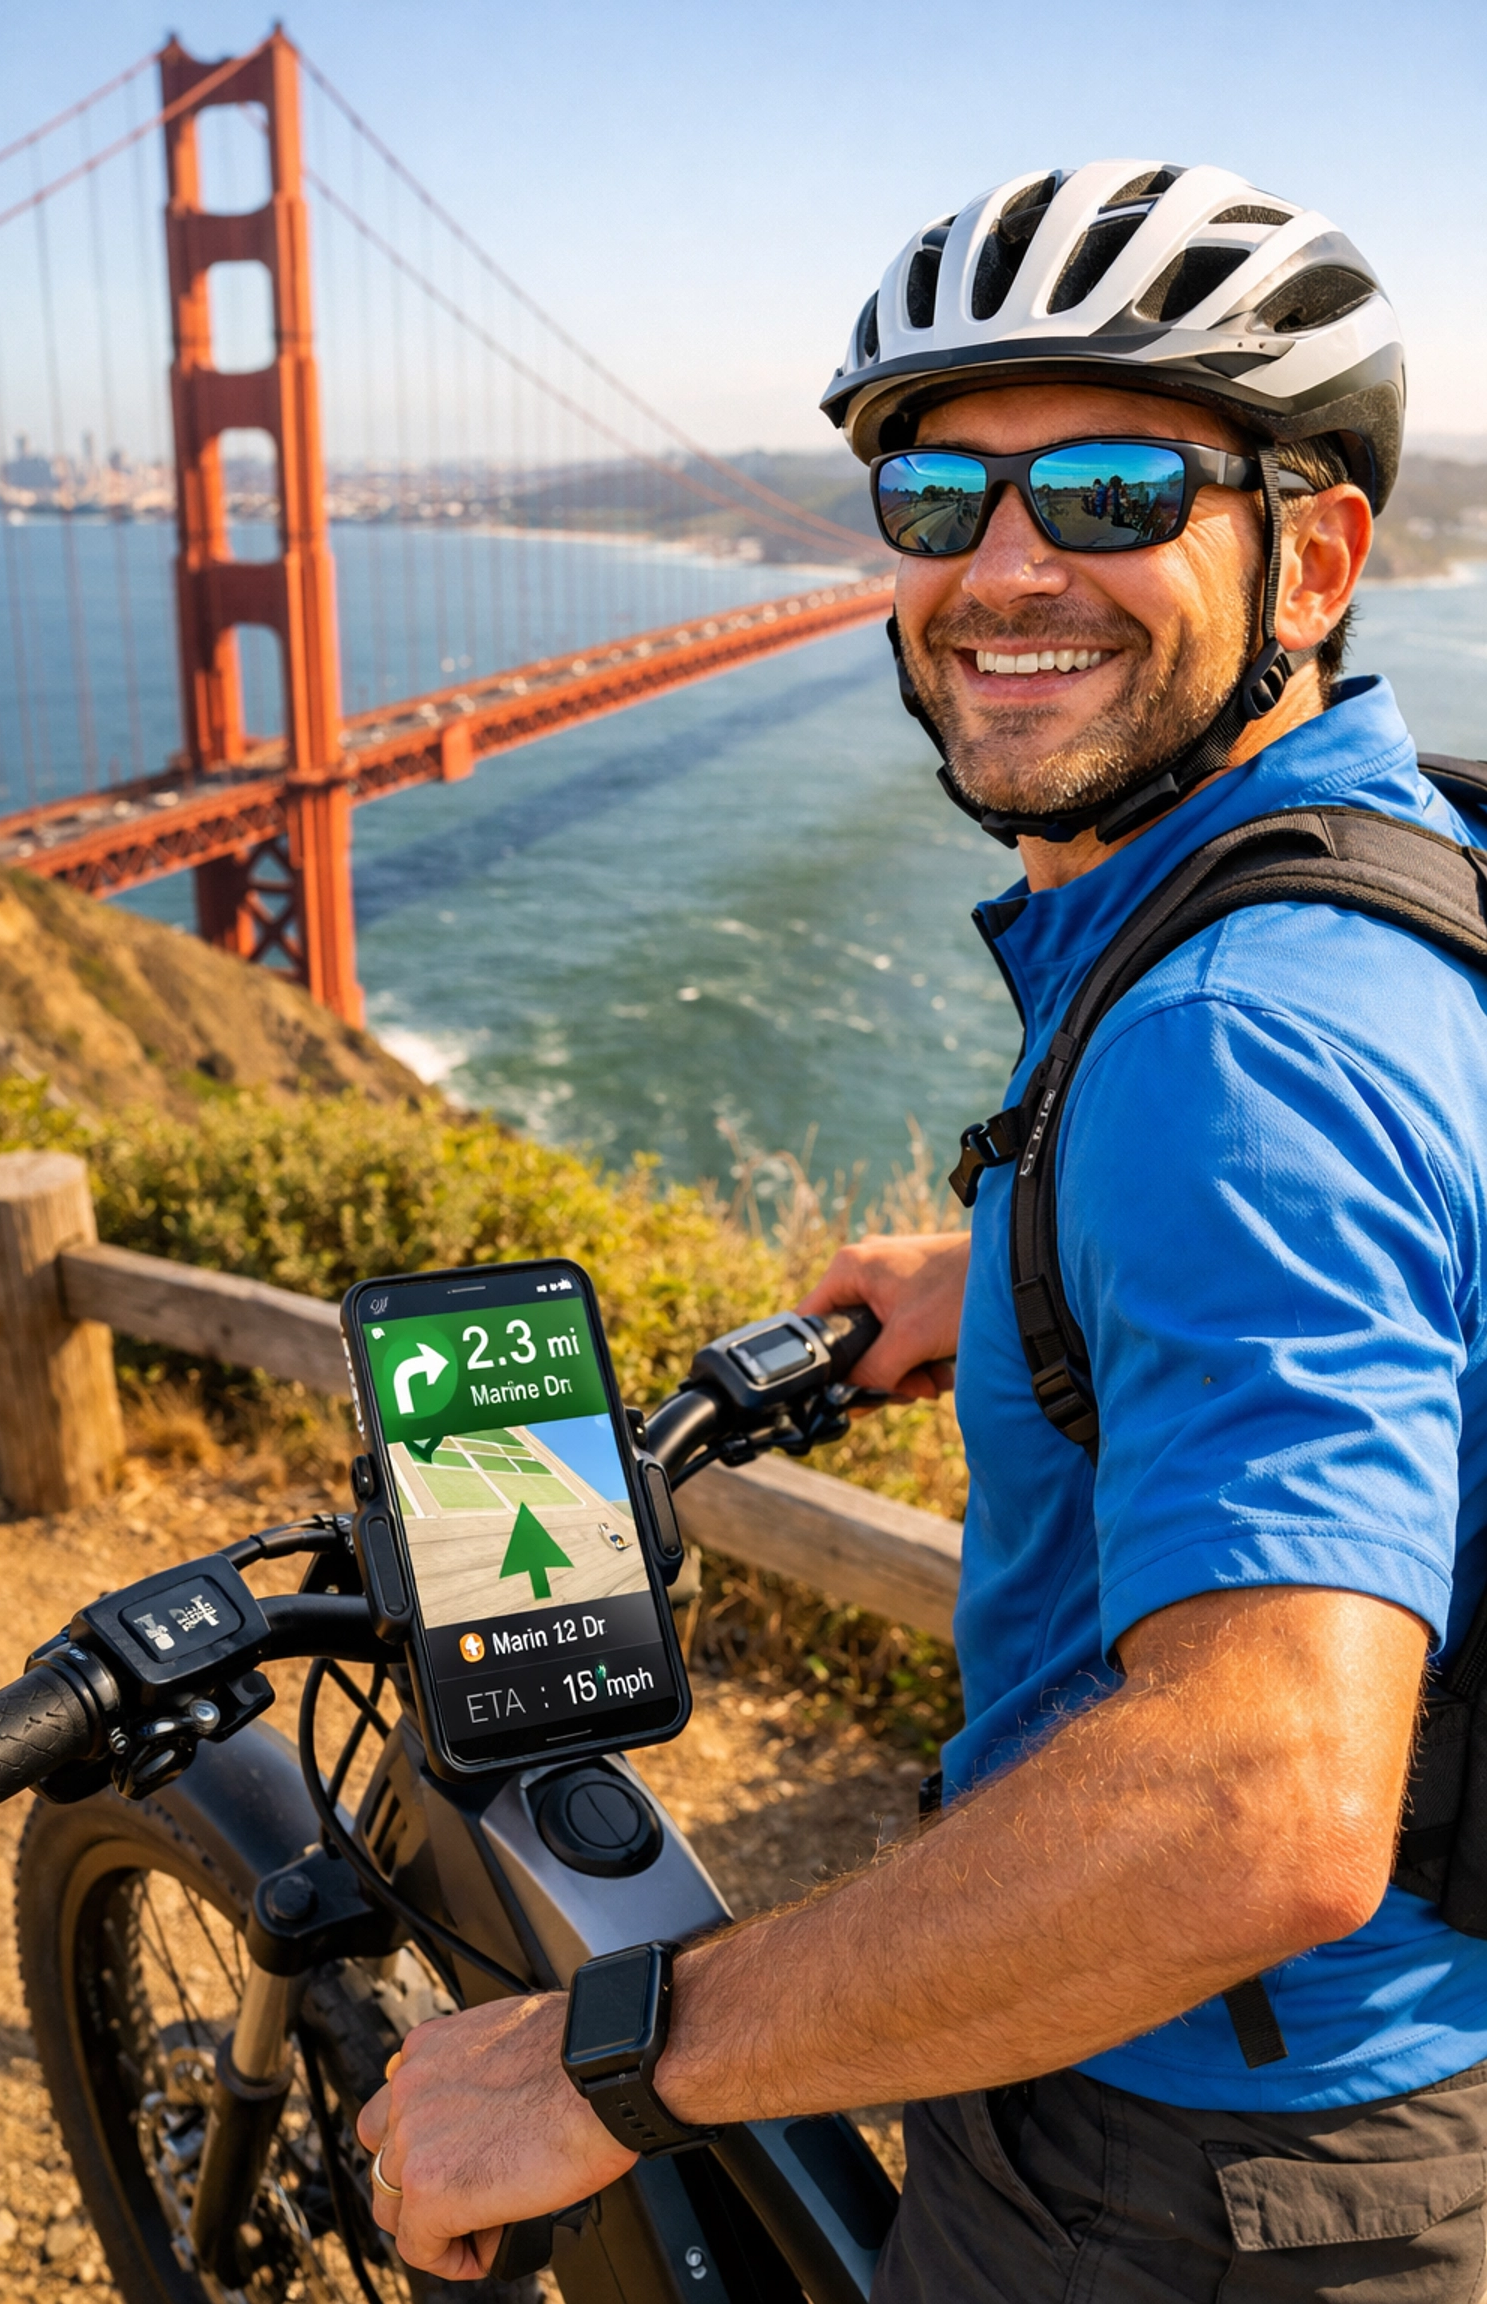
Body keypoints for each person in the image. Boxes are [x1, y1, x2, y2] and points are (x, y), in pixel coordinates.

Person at [357, 161, 1487, 2300]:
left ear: (1318, 555)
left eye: (1113, 492)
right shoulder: (1403, 864)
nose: (1006, 570)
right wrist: (1021, 1274)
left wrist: (601, 2067)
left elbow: (1263, 1801)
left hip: (1190, 2174)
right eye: (939, 502)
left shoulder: (1233, 1044)